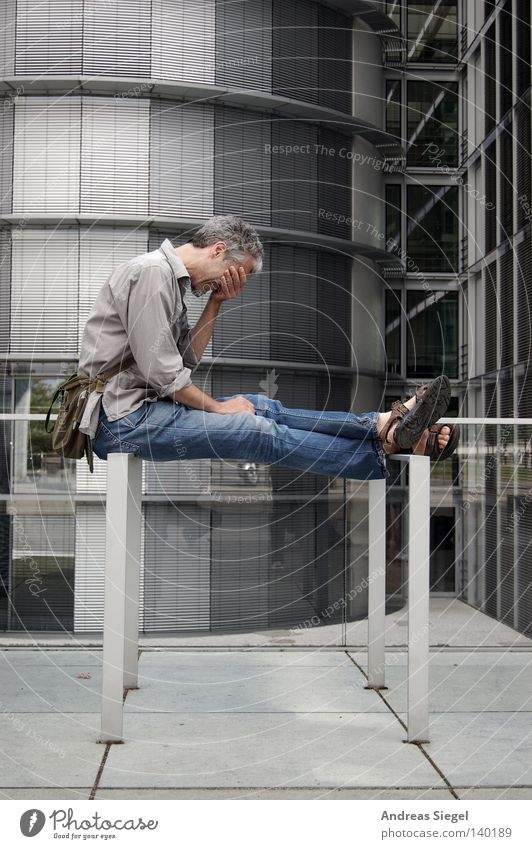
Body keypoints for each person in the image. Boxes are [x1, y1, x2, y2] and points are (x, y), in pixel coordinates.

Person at [79, 215, 458, 481]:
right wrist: (217, 407)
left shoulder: (171, 283)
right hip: (120, 422)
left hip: (143, 409)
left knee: (262, 406)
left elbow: (185, 362)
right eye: (234, 273)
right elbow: (165, 376)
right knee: (254, 429)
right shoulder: (151, 274)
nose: (232, 282)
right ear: (218, 249)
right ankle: (389, 443)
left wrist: (216, 303)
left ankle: (380, 426)